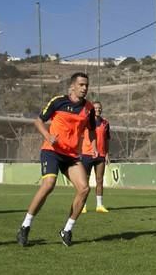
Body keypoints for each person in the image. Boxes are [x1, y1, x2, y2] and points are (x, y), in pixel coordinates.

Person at [16, 72, 97, 247]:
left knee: (84, 189)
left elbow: (91, 129)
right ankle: (25, 226)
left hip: (71, 155)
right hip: (51, 151)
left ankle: (67, 229)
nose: (85, 88)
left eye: (87, 85)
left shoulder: (88, 108)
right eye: (81, 85)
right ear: (73, 86)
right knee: (48, 184)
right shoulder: (58, 101)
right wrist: (47, 134)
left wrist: (94, 146)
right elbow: (38, 121)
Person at [81, 101, 111, 214]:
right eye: (95, 108)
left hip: (101, 155)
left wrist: (107, 154)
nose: (98, 109)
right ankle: (82, 206)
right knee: (85, 181)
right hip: (87, 154)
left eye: (99, 108)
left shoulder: (106, 123)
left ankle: (99, 205)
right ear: (92, 110)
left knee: (100, 180)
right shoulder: (86, 122)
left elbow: (107, 140)